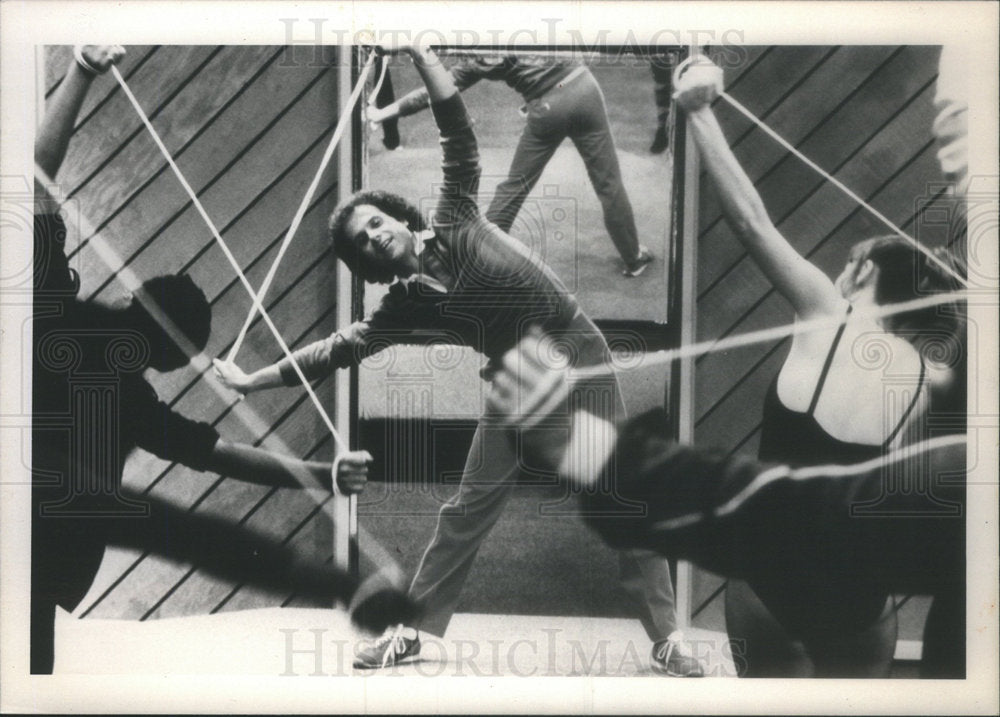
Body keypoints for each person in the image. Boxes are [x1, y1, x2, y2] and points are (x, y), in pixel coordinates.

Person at [214, 41, 702, 676]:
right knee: (467, 510)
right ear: (366, 262)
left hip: (578, 356)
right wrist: (254, 379)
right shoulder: (403, 308)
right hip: (517, 387)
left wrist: (417, 49)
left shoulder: (454, 215)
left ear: (394, 216)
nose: (376, 233)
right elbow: (339, 349)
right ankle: (412, 633)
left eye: (377, 221)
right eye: (364, 240)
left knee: (621, 496)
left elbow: (456, 130)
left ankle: (666, 639)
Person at [30, 46, 414, 674]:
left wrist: (82, 69)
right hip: (48, 560)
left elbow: (35, 182)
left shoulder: (52, 312)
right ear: (169, 362)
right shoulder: (132, 405)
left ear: (132, 296)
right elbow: (222, 468)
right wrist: (325, 475)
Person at [672, 56, 964, 676]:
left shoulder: (828, 315)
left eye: (847, 262)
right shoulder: (931, 370)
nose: (835, 270)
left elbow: (752, 223)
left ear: (863, 274)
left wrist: (697, 110)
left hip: (768, 581)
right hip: (857, 597)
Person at [484, 329, 967, 679]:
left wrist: (586, 449)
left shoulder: (837, 321)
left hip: (802, 575)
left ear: (861, 273)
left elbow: (803, 517)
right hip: (842, 592)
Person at [366, 49, 655, 277]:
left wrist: (382, 114)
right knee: (608, 183)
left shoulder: (478, 59)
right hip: (584, 87)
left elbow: (431, 93)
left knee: (513, 189)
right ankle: (633, 257)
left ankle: (479, 262)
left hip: (548, 109)